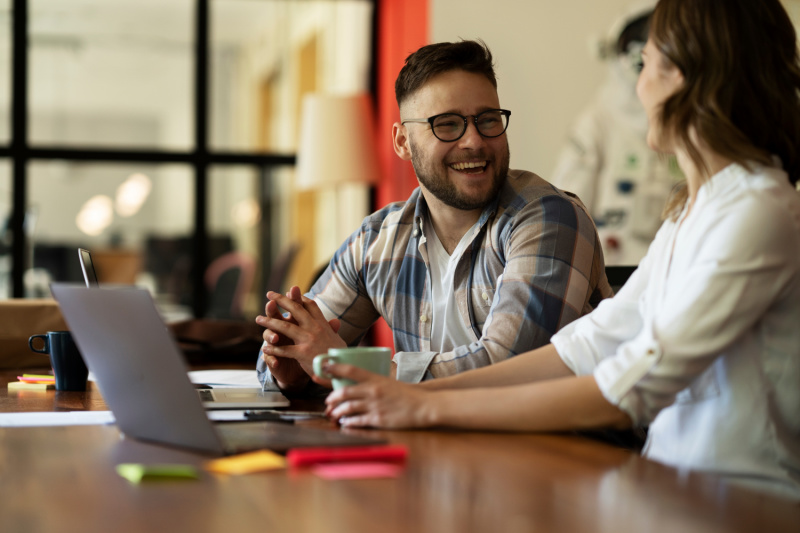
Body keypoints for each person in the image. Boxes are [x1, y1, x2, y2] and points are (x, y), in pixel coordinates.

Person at [323, 0, 800, 499]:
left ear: (693, 78)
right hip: (671, 493)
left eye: (648, 66)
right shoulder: (694, 213)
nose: (638, 88)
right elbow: (590, 344)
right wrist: (405, 395)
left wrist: (421, 406)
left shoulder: (758, 211)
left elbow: (630, 387)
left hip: (746, 505)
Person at [256, 40, 612, 393]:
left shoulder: (548, 219)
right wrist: (289, 367)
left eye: (487, 120)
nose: (474, 140)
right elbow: (284, 354)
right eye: (447, 124)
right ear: (402, 142)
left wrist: (345, 366)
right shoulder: (378, 240)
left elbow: (510, 369)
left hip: (561, 445)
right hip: (435, 438)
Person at [550, 1, 682, 265]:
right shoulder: (597, 123)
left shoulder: (685, 125)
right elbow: (562, 218)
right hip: (610, 273)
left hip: (667, 267)